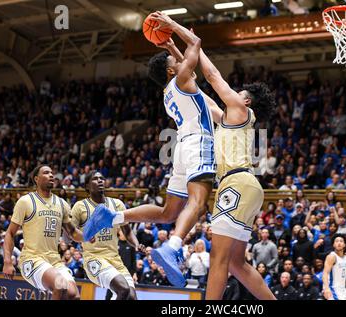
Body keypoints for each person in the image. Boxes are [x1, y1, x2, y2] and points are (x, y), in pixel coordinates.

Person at [82, 11, 217, 288]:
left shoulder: (170, 91)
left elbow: (185, 62)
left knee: (168, 212)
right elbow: (197, 43)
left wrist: (169, 47)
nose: (179, 63)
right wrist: (173, 27)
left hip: (181, 147)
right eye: (174, 62)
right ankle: (173, 245)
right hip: (198, 142)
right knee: (199, 202)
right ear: (171, 70)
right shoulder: (182, 80)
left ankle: (113, 216)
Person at [195, 30, 276, 300]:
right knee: (235, 263)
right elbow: (202, 97)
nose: (233, 92)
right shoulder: (231, 118)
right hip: (249, 187)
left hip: (237, 184)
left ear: (246, 100)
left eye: (238, 91)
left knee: (218, 256)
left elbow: (212, 77)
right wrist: (179, 60)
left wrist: (194, 45)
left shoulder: (241, 110)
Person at [3, 165, 84, 300]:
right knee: (60, 285)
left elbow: (72, 233)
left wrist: (89, 236)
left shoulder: (62, 203)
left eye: (52, 173)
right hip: (32, 259)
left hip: (54, 261)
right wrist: (7, 261)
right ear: (36, 179)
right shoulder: (26, 201)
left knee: (74, 295)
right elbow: (10, 233)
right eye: (46, 173)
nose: (51, 175)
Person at [71, 171, 140, 300]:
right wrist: (83, 236)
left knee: (131, 297)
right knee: (123, 289)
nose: (100, 180)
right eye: (95, 179)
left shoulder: (117, 204)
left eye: (102, 178)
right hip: (94, 259)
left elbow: (127, 231)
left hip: (115, 259)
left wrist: (136, 245)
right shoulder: (80, 207)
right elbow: (70, 233)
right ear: (87, 186)